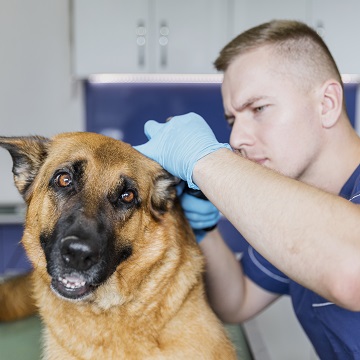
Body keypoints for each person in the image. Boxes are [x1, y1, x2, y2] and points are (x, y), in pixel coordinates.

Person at [134, 20, 360, 358]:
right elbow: (236, 301)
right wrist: (203, 231)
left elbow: (351, 271)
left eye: (258, 108)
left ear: (327, 103)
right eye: (231, 120)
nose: (237, 139)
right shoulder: (290, 212)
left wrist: (203, 159)